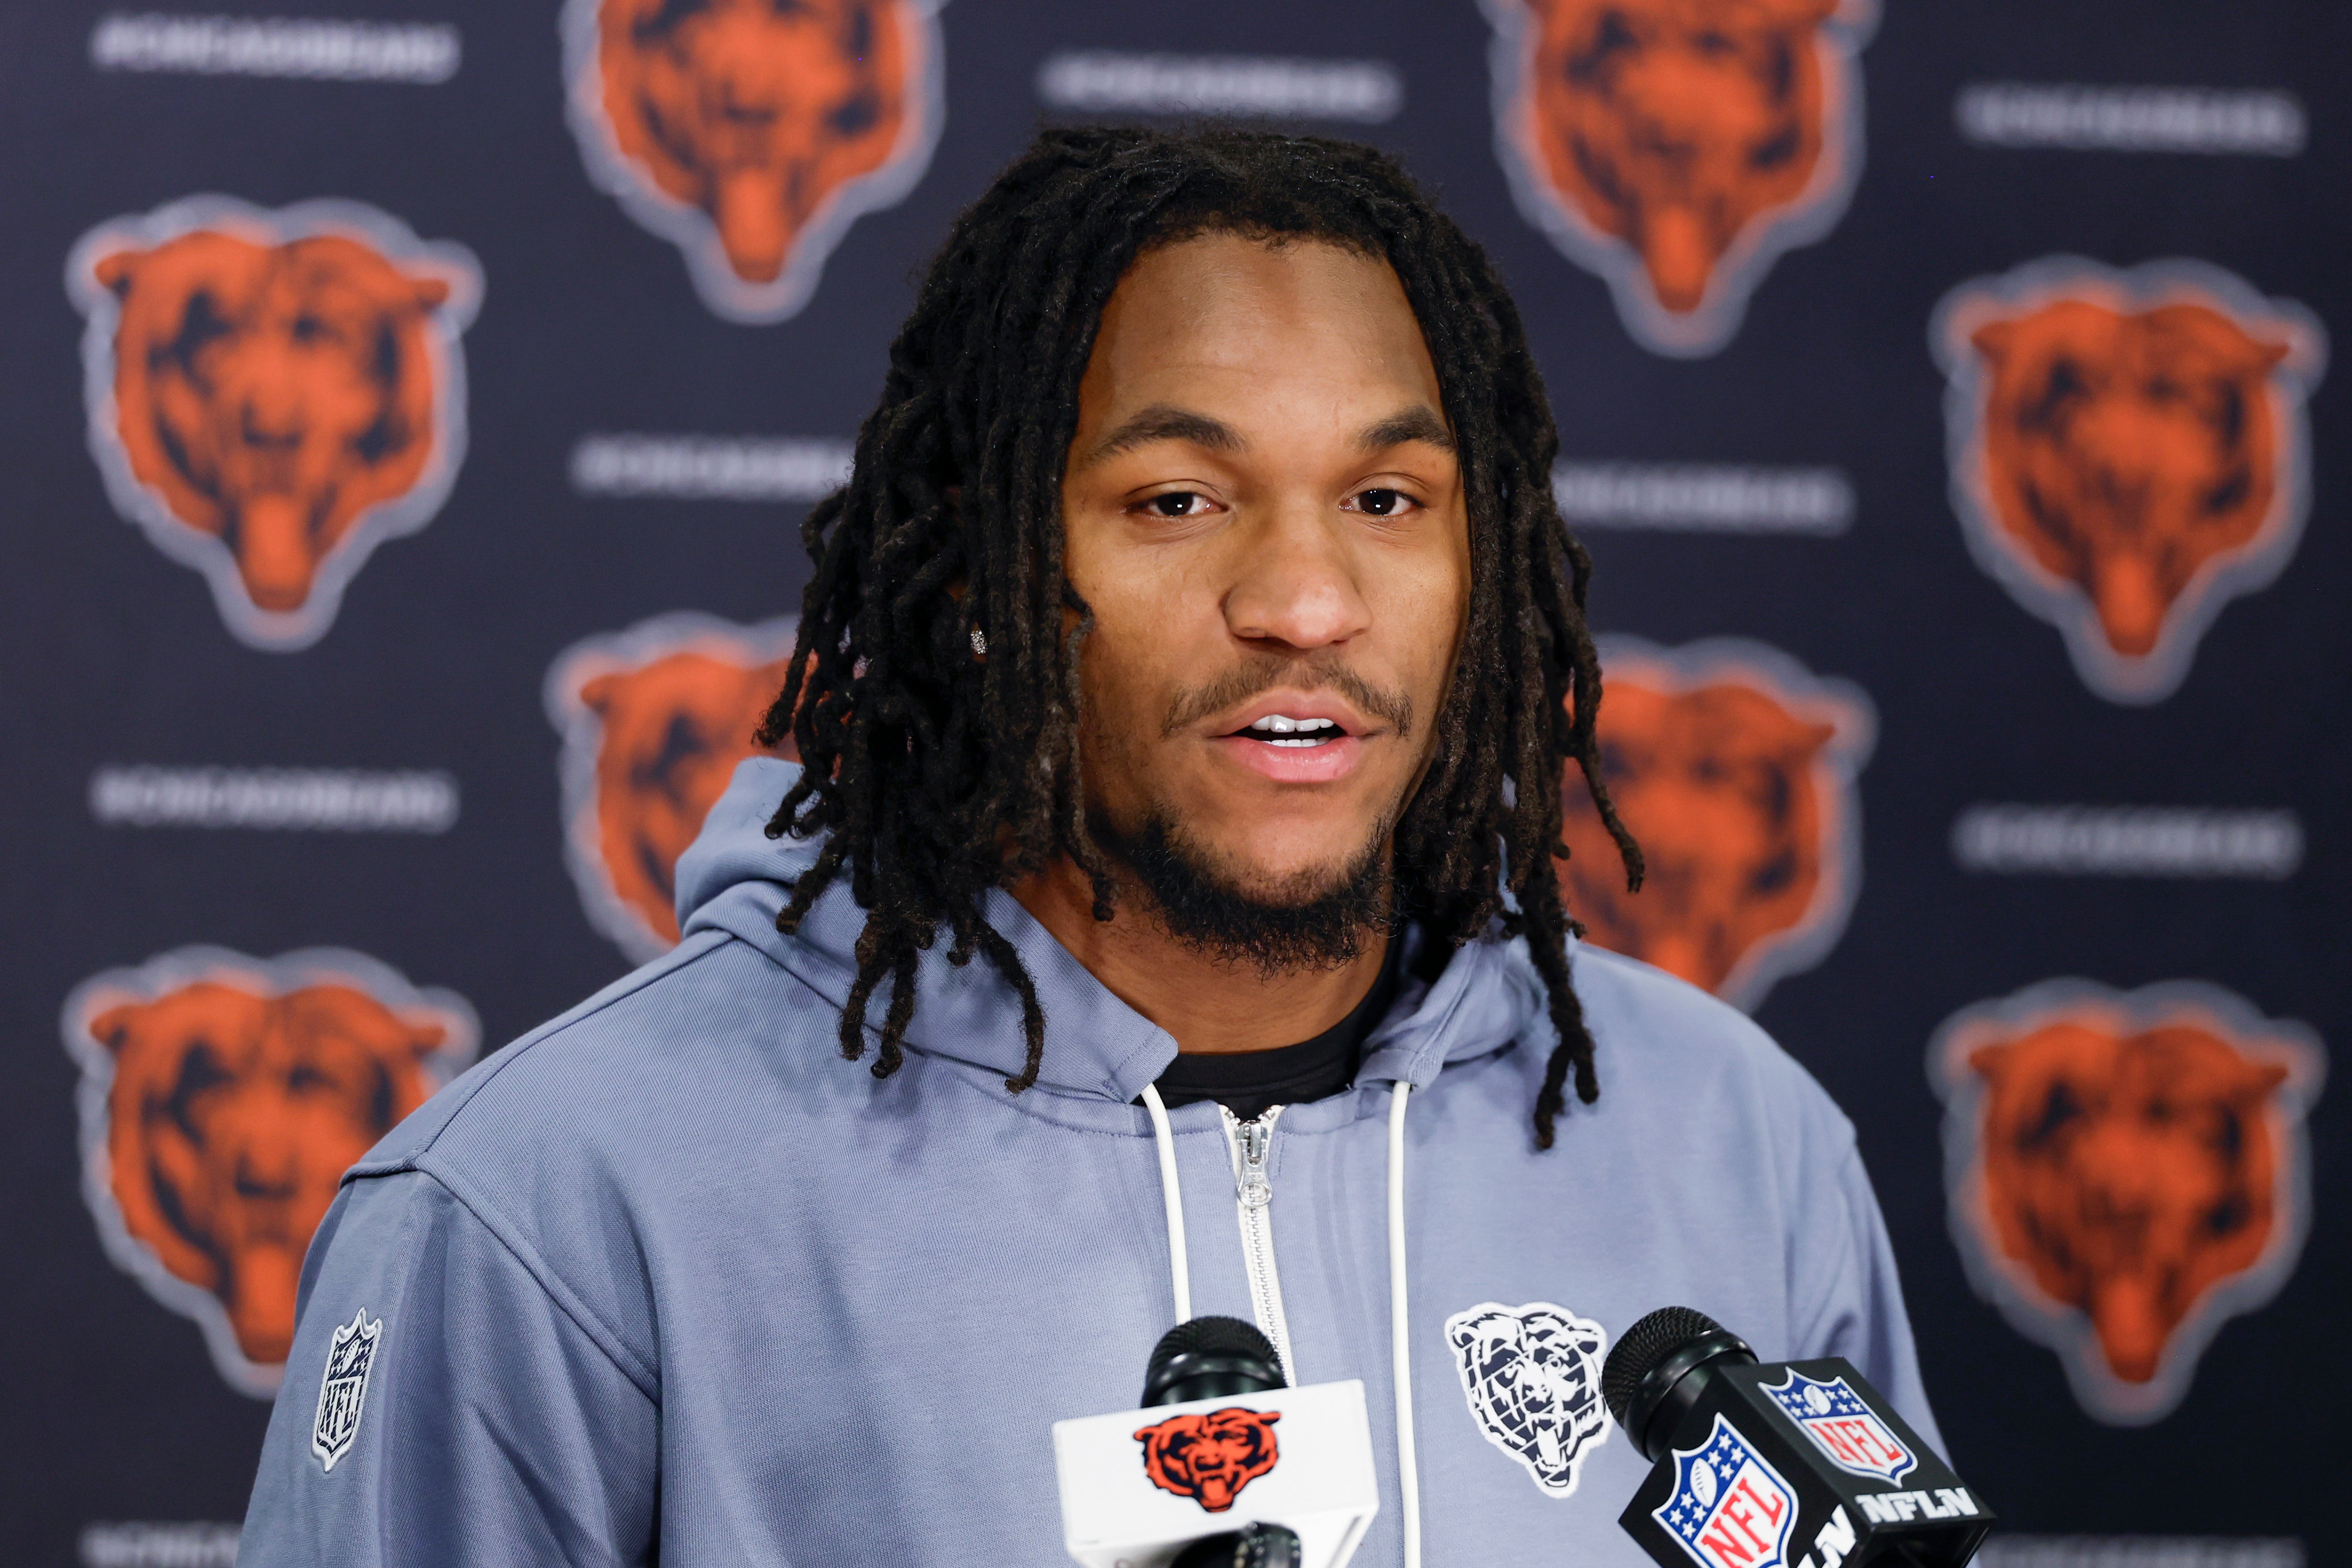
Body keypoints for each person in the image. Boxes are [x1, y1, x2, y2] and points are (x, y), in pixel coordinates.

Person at [240, 126, 1939, 1565]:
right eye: (1177, 502)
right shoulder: (557, 1205)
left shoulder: (1737, 1147)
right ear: (979, 569)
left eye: (1387, 501)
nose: (1302, 604)